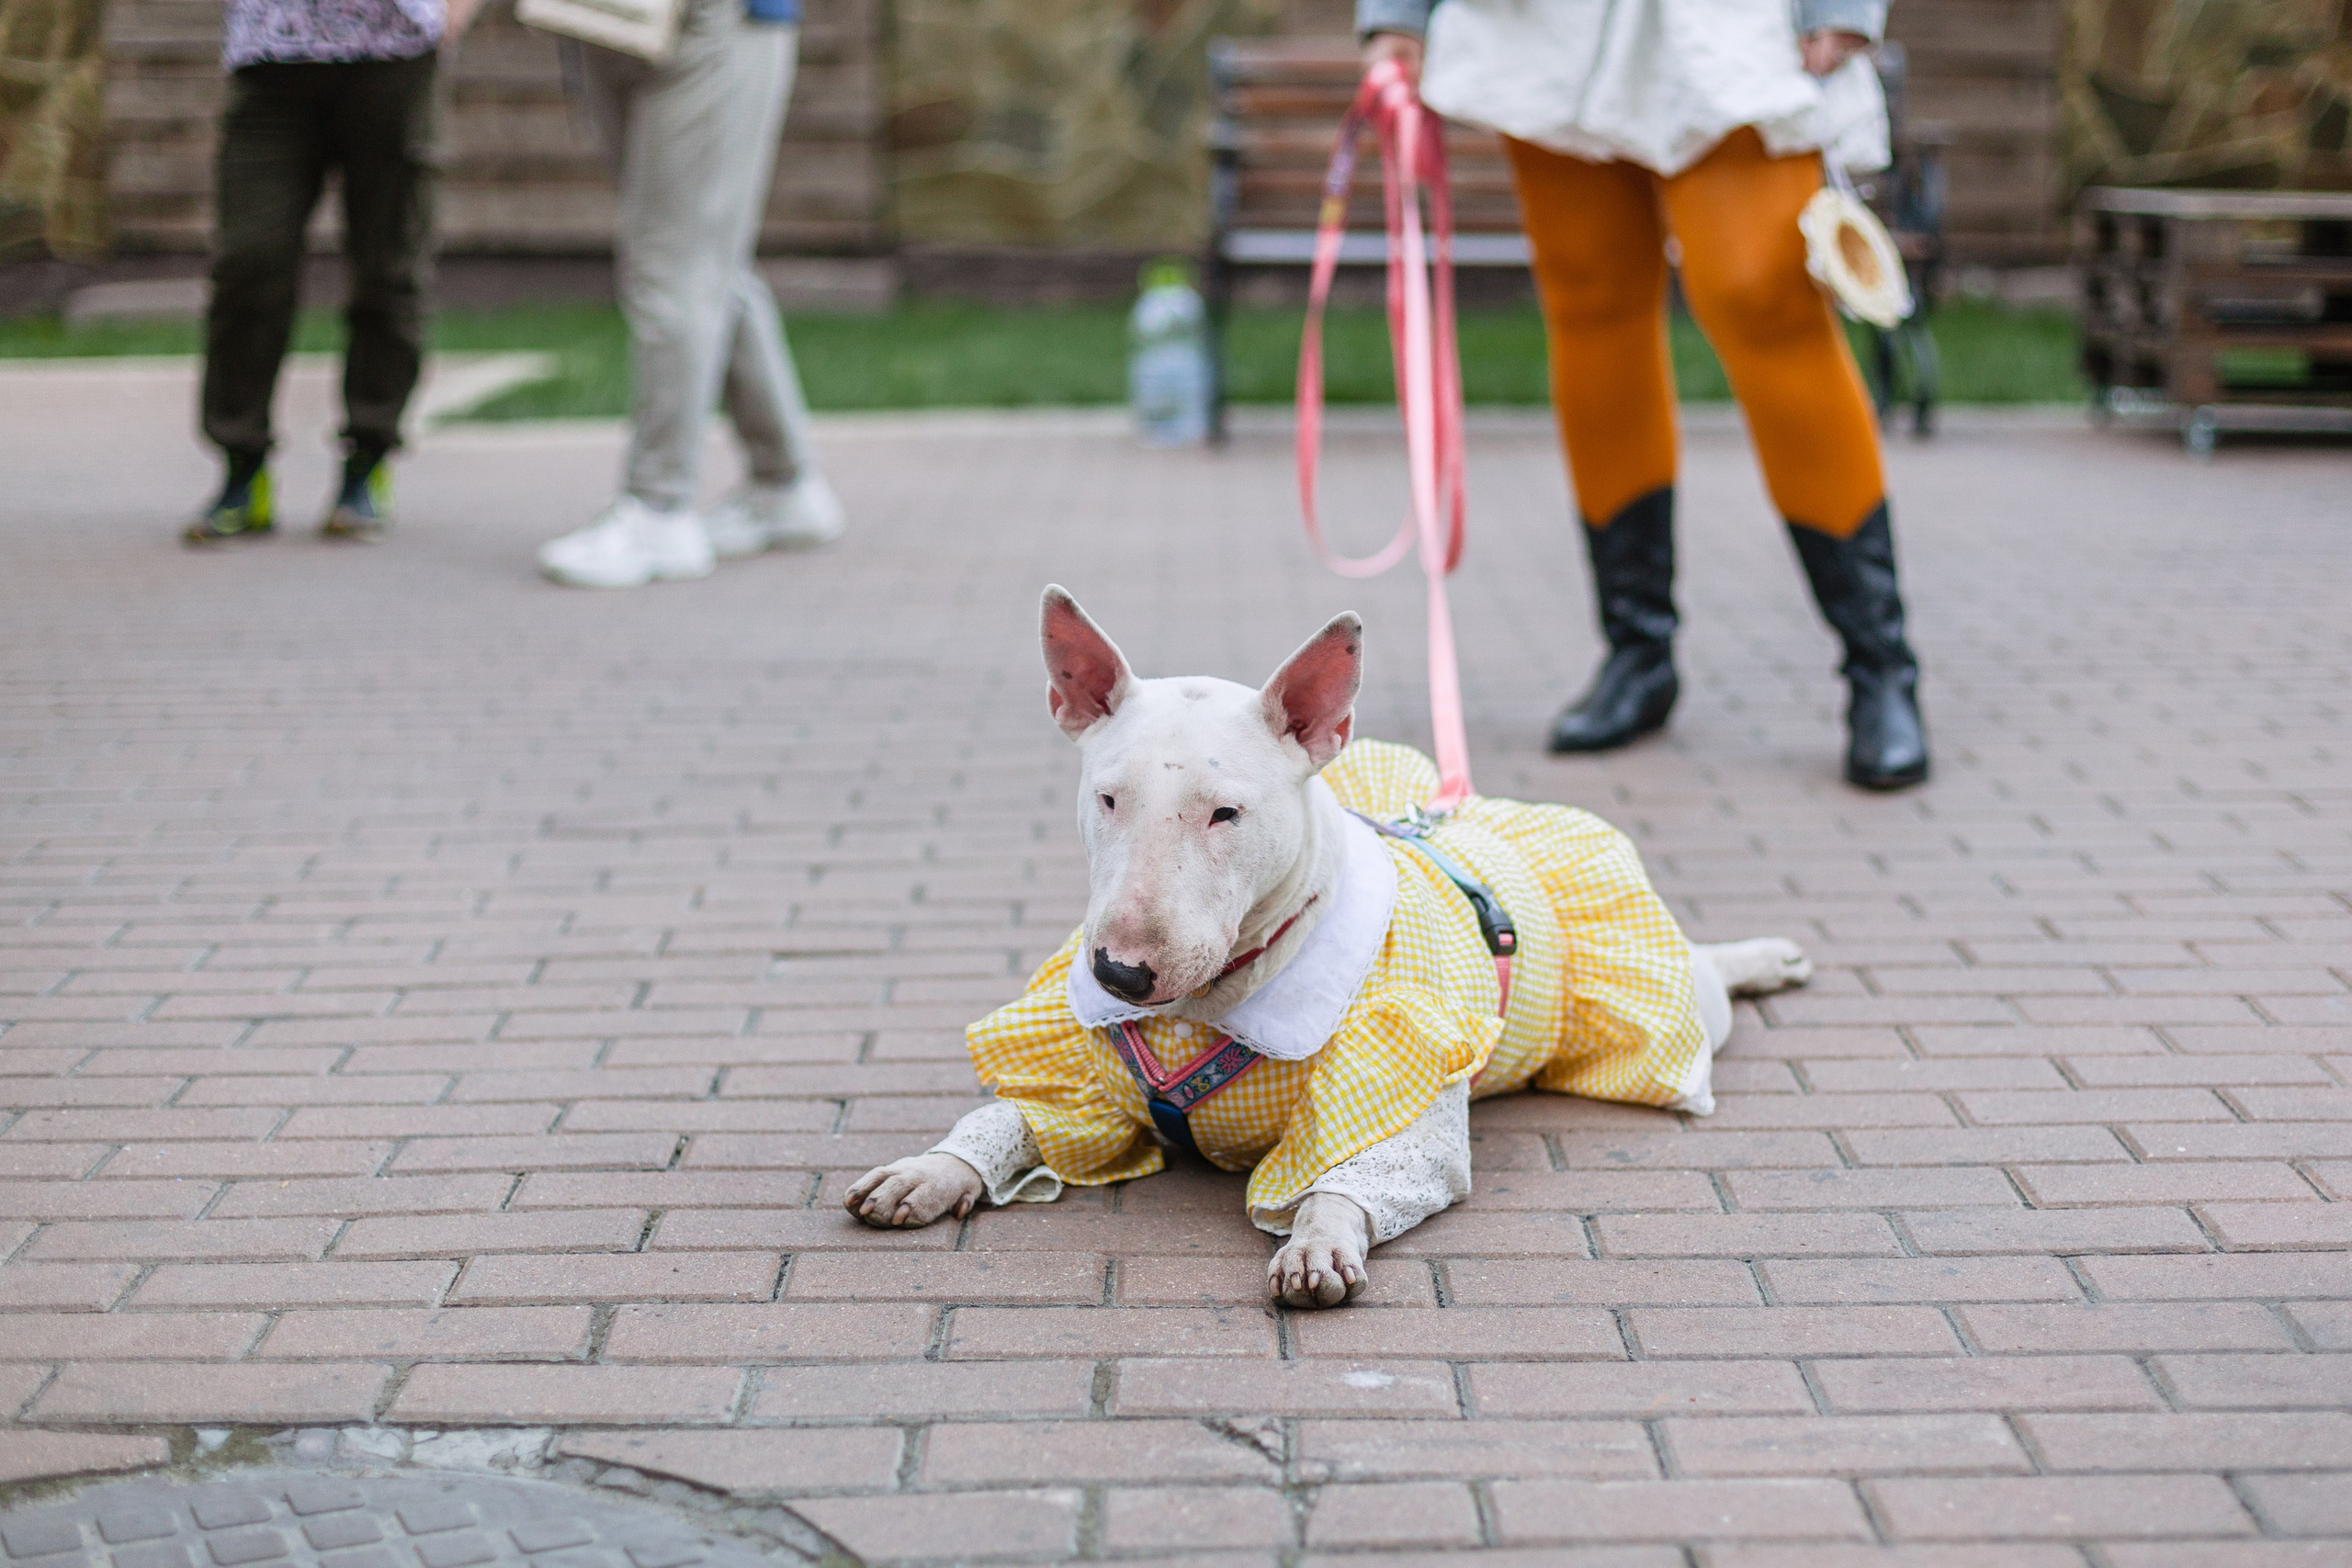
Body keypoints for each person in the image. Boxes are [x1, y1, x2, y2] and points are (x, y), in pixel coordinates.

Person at [1357, 0, 1929, 790]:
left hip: (1731, 26)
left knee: (1765, 302)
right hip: (1550, 27)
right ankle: (1638, 653)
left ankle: (1880, 665)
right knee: (1593, 311)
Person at [534, 0, 844, 590]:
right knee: (701, 258)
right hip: (603, 18)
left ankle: (658, 510)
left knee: (674, 267)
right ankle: (784, 486)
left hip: (714, 17)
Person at [185, 0, 481, 546]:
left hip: (393, 51)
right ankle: (242, 466)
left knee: (388, 271)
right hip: (271, 50)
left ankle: (368, 459)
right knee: (249, 262)